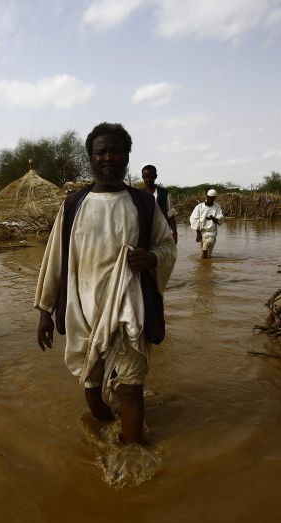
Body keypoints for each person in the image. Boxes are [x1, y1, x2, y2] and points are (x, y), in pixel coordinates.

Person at [34, 123, 176, 445]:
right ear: (91, 157)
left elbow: (167, 246)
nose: (108, 157)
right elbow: (54, 258)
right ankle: (105, 430)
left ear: (127, 157)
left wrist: (151, 258)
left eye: (115, 151)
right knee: (92, 388)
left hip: (130, 310)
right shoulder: (73, 204)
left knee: (131, 387)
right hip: (82, 311)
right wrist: (44, 310)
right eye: (101, 152)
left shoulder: (144, 204)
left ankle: (131, 452)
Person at [141, 164, 178, 243]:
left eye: (151, 177)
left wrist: (174, 233)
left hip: (163, 232)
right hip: (147, 234)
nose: (148, 180)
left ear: (155, 176)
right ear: (143, 177)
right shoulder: (140, 195)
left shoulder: (163, 193)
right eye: (146, 177)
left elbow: (170, 214)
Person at [189, 188, 224, 259]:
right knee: (207, 254)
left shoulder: (217, 207)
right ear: (207, 197)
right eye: (210, 198)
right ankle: (205, 267)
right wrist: (198, 234)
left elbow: (220, 219)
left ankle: (204, 265)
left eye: (213, 198)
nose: (211, 200)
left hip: (211, 233)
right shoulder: (199, 207)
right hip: (202, 233)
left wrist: (213, 218)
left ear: (215, 198)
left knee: (205, 248)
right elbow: (194, 220)